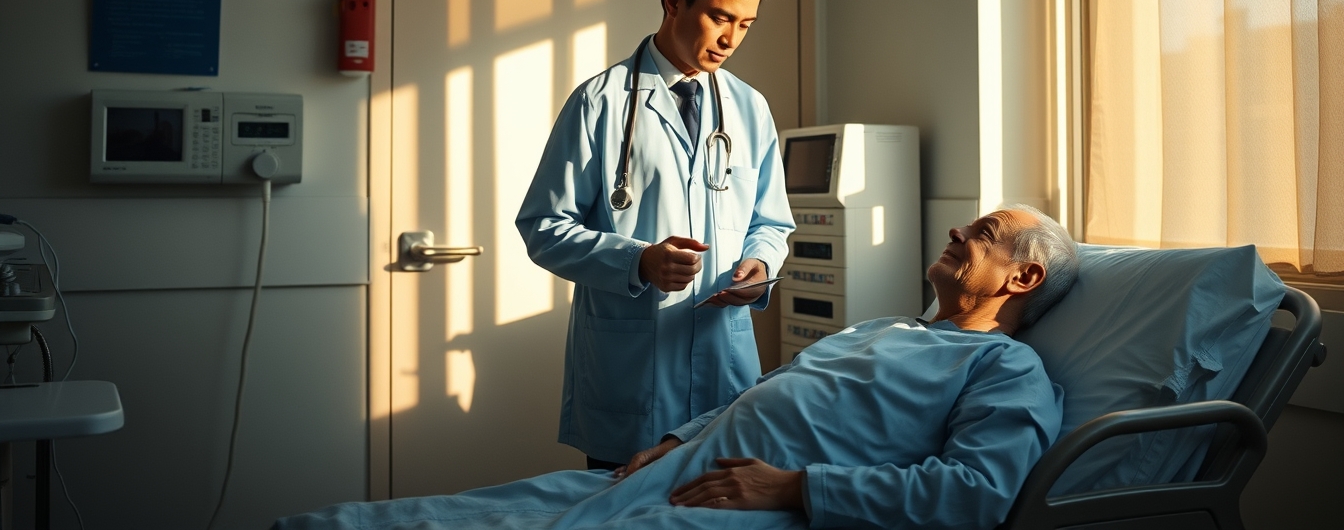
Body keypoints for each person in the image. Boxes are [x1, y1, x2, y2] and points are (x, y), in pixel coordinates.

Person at [275, 205, 1080, 530]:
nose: (957, 231)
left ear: (1025, 276)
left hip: (756, 506)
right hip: (675, 467)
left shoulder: (1004, 369)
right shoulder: (886, 327)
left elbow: (978, 495)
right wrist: (675, 440)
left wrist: (796, 489)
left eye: (981, 232)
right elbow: (772, 392)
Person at [514, 0, 795, 470]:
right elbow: (543, 226)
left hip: (722, 359)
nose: (732, 39)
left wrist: (759, 262)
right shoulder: (600, 101)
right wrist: (637, 260)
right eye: (719, 17)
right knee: (621, 509)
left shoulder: (748, 107)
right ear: (673, 2)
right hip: (629, 368)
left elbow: (772, 220)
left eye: (746, 24)